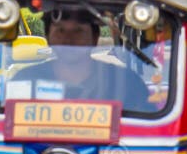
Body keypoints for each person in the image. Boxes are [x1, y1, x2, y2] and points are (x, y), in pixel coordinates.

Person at [11, 8, 152, 111]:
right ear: (48, 38)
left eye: (78, 31)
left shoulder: (126, 83)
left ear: (95, 38)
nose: (68, 38)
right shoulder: (26, 80)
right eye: (60, 30)